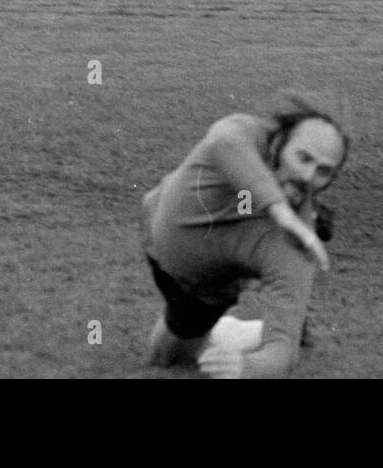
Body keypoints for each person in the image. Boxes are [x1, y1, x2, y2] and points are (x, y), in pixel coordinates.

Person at [143, 91, 350, 379]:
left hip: (202, 287)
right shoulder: (247, 135)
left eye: (323, 171)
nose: (307, 176)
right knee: (167, 353)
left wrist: (247, 367)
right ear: (280, 142)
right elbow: (223, 141)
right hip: (155, 226)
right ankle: (237, 329)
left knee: (163, 357)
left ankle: (243, 330)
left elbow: (282, 353)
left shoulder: (297, 243)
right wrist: (280, 211)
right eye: (303, 158)